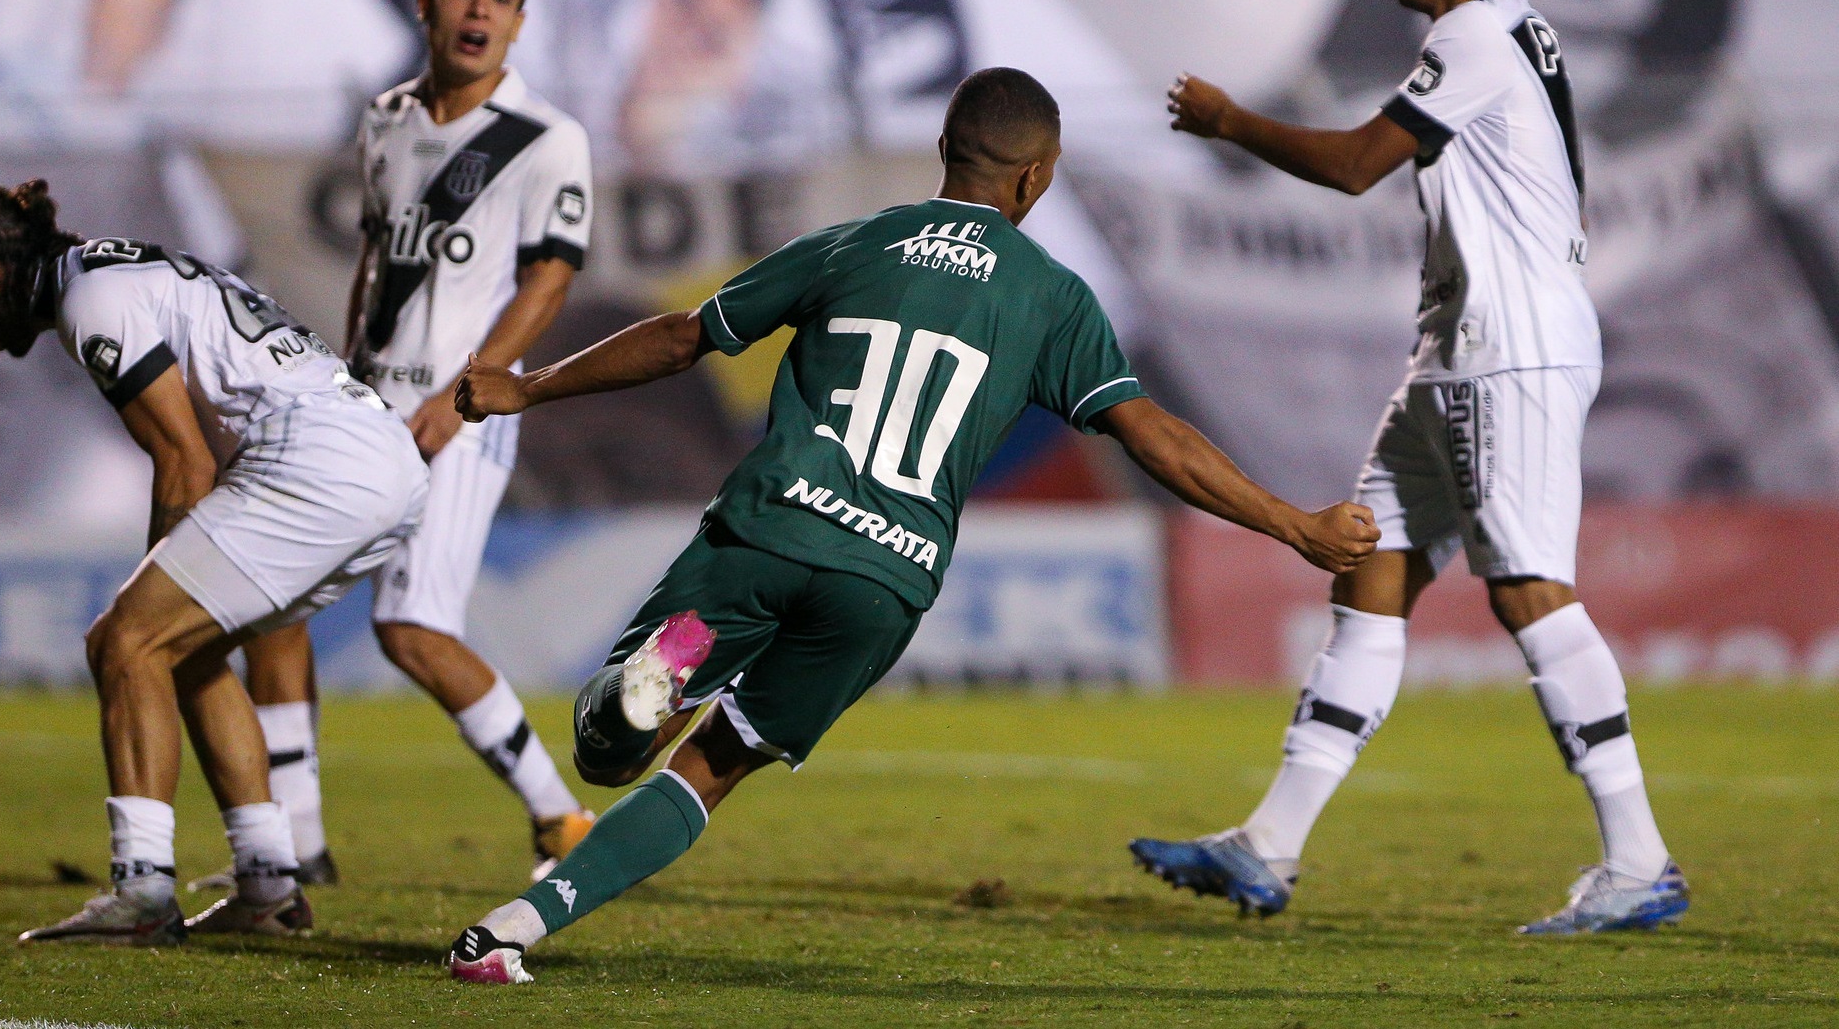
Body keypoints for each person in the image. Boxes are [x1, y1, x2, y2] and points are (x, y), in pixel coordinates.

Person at [439, 66, 1381, 984]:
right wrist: (1294, 524)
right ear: (1035, 177)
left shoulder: (853, 244)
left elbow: (688, 334)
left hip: (770, 533)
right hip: (883, 582)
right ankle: (510, 931)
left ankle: (660, 673)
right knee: (714, 767)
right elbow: (1158, 440)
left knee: (607, 751)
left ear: (943, 149)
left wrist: (530, 385)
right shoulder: (1051, 297)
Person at [1132, 0, 1686, 935]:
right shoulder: (1509, 35)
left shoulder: (1477, 34)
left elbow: (1353, 165)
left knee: (1528, 588)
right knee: (1368, 574)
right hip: (1453, 355)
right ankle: (1269, 845)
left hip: (1505, 351)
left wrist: (1230, 121)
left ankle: (1639, 860)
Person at [0, 179, 427, 944]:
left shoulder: (89, 300)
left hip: (319, 460)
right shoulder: (114, 272)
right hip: (381, 457)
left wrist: (146, 597)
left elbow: (184, 461)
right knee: (188, 654)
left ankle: (142, 890)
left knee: (125, 642)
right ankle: (267, 884)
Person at [213, 0, 596, 889]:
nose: (479, 12)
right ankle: (297, 846)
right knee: (274, 606)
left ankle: (562, 815)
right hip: (365, 405)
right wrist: (342, 374)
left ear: (519, 19)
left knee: (413, 629)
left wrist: (463, 393)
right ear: (425, 3)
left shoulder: (546, 138)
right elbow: (380, 264)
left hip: (461, 412)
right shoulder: (385, 120)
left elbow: (548, 282)